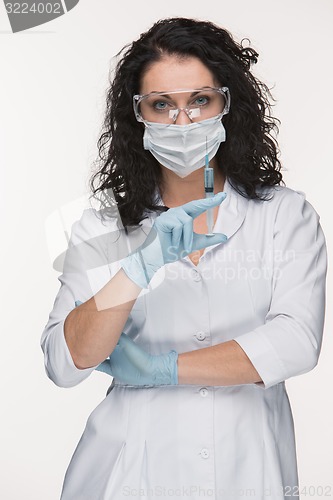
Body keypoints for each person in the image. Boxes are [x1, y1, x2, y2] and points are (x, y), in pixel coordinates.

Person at [41, 17, 327, 500]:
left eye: (199, 100)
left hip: (248, 465)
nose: (183, 121)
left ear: (226, 104)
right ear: (139, 116)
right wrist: (136, 269)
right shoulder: (102, 225)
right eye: (162, 105)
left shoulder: (284, 215)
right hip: (129, 472)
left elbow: (297, 340)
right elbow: (65, 363)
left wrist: (163, 369)